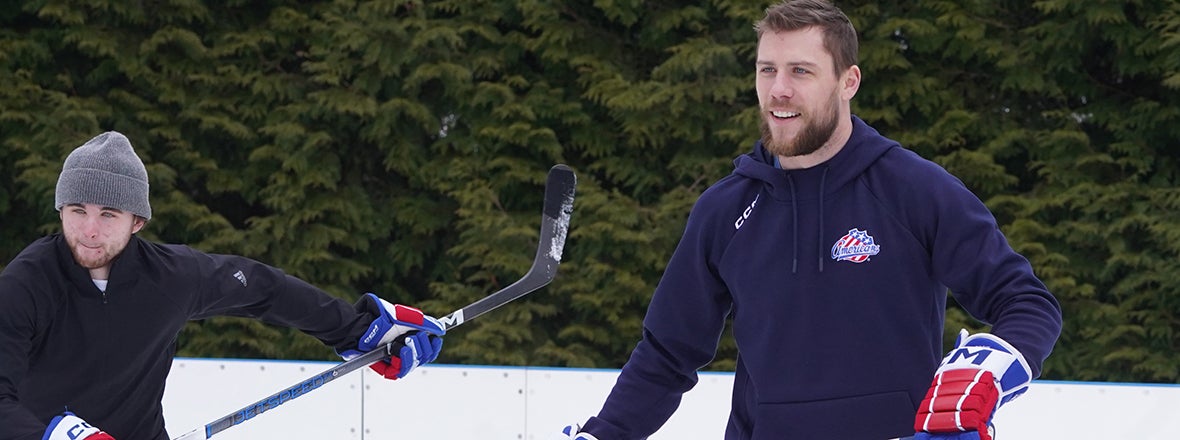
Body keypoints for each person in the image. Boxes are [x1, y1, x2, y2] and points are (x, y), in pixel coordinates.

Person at [558, 1, 1062, 439]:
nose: (779, 90)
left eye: (801, 71)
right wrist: (603, 435)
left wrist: (993, 366)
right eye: (766, 70)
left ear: (849, 82)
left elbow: (1026, 302)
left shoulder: (913, 189)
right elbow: (666, 355)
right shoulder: (725, 210)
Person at [0, 131, 446, 440]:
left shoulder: (170, 278)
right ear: (60, 209)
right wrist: (55, 433)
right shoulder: (26, 284)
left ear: (137, 221)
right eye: (77, 210)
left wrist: (356, 330)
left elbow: (263, 289)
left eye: (108, 214)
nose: (89, 230)